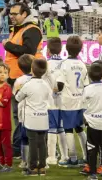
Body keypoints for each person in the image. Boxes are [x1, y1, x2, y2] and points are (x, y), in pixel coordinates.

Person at [4, 3, 44, 156]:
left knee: (22, 115)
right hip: (16, 77)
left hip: (25, 78)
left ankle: (21, 147)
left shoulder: (31, 29)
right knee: (18, 115)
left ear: (25, 14)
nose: (12, 16)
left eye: (15, 14)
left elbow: (28, 51)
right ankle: (22, 146)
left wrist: (8, 45)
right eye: (11, 14)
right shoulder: (19, 29)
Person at [16, 58, 52, 176]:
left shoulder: (28, 85)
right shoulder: (46, 85)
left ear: (32, 69)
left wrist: (18, 90)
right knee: (42, 143)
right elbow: (50, 99)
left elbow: (18, 98)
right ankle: (42, 167)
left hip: (31, 119)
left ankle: (32, 167)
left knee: (32, 143)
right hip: (43, 118)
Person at [59, 35, 88, 167]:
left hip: (67, 101)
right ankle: (87, 155)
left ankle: (73, 158)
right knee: (80, 128)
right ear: (80, 49)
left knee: (68, 129)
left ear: (66, 48)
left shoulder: (64, 64)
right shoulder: (82, 64)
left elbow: (60, 84)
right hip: (80, 101)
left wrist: (55, 90)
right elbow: (86, 85)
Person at [44, 37, 65, 166]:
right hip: (63, 101)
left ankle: (51, 157)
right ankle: (65, 155)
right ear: (60, 50)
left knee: (51, 128)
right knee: (61, 128)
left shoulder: (45, 64)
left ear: (48, 50)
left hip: (50, 101)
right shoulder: (65, 63)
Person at [13, 54, 35, 172]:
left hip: (23, 113)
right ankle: (38, 160)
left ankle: (24, 161)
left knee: (24, 138)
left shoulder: (19, 80)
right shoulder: (38, 79)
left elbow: (16, 96)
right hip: (36, 112)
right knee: (37, 137)